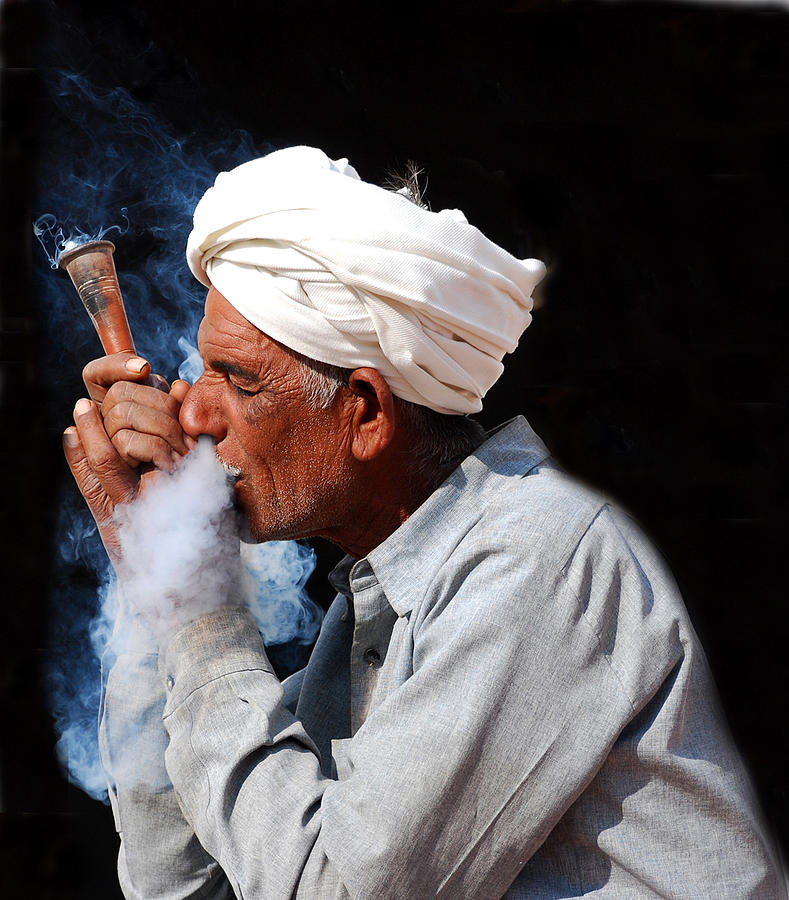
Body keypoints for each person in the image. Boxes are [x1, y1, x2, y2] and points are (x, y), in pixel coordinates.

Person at [64, 146, 785, 898]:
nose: (194, 412)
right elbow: (179, 888)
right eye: (201, 368)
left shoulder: (538, 554)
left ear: (367, 413)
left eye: (238, 382)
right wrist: (157, 575)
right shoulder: (369, 625)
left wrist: (203, 617)